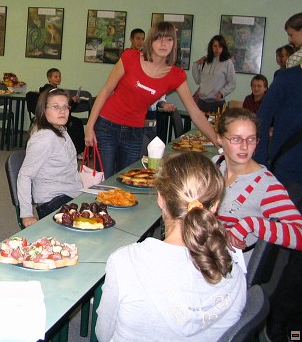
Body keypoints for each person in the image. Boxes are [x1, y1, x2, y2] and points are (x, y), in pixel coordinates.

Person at [96, 152, 246, 342]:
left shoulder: (124, 262)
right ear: (215, 205)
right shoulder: (233, 272)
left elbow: (103, 334)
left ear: (160, 198)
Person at [84, 21, 218, 179]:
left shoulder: (176, 75)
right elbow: (106, 90)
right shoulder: (130, 57)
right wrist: (90, 127)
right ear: (151, 41)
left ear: (174, 44)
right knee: (104, 179)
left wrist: (218, 141)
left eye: (169, 39)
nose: (163, 43)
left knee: (127, 180)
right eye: (158, 38)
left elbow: (195, 112)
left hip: (134, 132)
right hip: (107, 126)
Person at [254, 65, 302, 340]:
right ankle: (268, 317)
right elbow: (262, 121)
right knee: (278, 253)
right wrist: (261, 168)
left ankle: (290, 321)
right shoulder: (287, 79)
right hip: (288, 177)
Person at [215, 108, 302, 254]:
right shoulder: (216, 165)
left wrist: (250, 224)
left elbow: (299, 234)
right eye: (236, 139)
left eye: (251, 139)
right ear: (220, 139)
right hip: (207, 253)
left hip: (230, 263)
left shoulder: (266, 186)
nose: (244, 146)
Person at [17, 89, 83, 227]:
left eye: (65, 107)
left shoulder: (60, 129)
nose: (62, 111)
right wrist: (26, 214)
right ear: (43, 110)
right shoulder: (44, 138)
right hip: (54, 202)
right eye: (55, 107)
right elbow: (24, 175)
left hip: (70, 193)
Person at [38, 68, 84, 154]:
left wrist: (73, 101)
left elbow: (68, 108)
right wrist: (72, 100)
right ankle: (78, 150)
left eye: (59, 76)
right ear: (49, 78)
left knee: (77, 122)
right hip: (53, 117)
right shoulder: (48, 91)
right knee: (76, 123)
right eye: (55, 77)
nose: (58, 78)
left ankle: (78, 150)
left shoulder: (57, 91)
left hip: (60, 115)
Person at [191, 35, 236, 112]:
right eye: (215, 46)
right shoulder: (206, 61)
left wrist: (222, 93)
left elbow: (232, 83)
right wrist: (195, 65)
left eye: (220, 46)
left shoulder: (227, 62)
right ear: (211, 47)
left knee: (216, 121)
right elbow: (198, 81)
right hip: (201, 102)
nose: (217, 49)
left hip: (216, 103)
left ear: (223, 48)